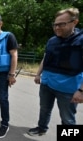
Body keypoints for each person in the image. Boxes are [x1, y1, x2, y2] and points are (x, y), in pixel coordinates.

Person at [27, 7, 83, 136]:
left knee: (68, 119)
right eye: (55, 24)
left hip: (68, 89)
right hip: (47, 84)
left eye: (61, 24)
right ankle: (41, 128)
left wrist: (81, 90)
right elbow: (46, 58)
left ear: (74, 22)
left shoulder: (80, 41)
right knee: (44, 109)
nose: (57, 28)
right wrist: (38, 74)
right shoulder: (52, 40)